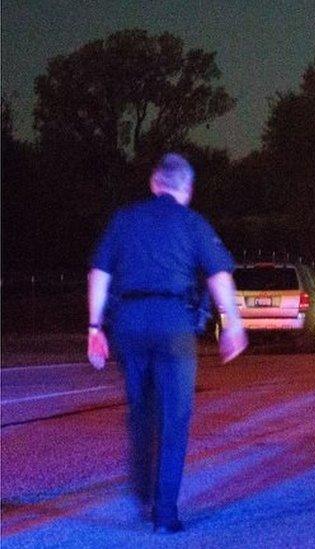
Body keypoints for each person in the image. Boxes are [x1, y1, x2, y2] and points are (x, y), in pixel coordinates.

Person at [86, 153, 248, 534]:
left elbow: (99, 272)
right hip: (174, 323)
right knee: (175, 418)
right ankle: (165, 515)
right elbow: (219, 275)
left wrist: (95, 327)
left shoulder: (124, 220)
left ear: (154, 183)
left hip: (129, 322)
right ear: (186, 188)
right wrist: (233, 324)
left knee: (141, 410)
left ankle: (142, 492)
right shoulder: (192, 223)